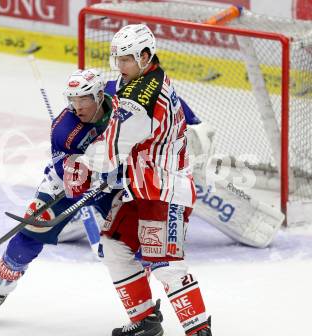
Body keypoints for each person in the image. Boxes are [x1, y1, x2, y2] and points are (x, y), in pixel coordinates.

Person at [64, 24, 212, 336]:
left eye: (127, 59)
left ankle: (199, 330)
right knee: (114, 245)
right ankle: (146, 321)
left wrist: (81, 164)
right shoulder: (145, 77)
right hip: (141, 187)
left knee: (165, 264)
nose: (120, 66)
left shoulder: (140, 97)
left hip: (164, 190)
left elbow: (112, 149)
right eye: (117, 59)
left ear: (146, 55)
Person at [0, 68, 119, 322]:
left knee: (132, 239)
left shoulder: (119, 95)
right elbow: (64, 170)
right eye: (72, 100)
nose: (77, 106)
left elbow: (162, 98)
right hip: (66, 185)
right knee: (28, 235)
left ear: (98, 94)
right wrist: (84, 168)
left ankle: (144, 309)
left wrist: (193, 122)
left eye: (83, 99)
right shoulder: (64, 129)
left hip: (112, 184)